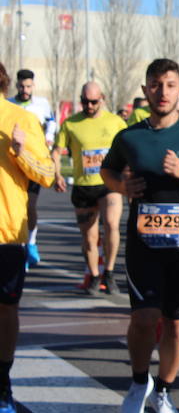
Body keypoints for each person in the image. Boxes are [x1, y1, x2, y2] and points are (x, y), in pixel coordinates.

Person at [100, 59, 179, 413]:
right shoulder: (129, 136)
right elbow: (106, 170)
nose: (162, 92)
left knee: (176, 323)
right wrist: (122, 186)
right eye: (155, 85)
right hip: (144, 244)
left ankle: (165, 392)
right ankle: (140, 382)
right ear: (145, 90)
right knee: (143, 319)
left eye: (170, 85)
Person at [0, 62, 54, 413]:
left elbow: (47, 173)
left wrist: (21, 150)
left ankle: (2, 384)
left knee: (5, 312)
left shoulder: (19, 119)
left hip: (5, 235)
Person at [51, 82, 127, 295]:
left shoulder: (115, 122)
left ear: (102, 98)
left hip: (109, 183)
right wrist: (57, 174)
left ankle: (110, 273)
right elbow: (57, 152)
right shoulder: (71, 124)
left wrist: (128, 171)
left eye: (94, 101)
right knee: (89, 237)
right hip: (83, 187)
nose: (89, 105)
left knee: (112, 224)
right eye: (85, 101)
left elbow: (129, 147)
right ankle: (94, 275)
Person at [8, 69, 57, 269]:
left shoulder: (42, 105)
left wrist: (49, 139)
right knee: (15, 206)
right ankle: (17, 246)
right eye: (22, 86)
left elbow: (52, 124)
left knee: (30, 206)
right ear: (17, 86)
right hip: (14, 163)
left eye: (28, 86)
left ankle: (31, 244)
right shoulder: (10, 104)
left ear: (33, 86)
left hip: (33, 162)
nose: (25, 90)